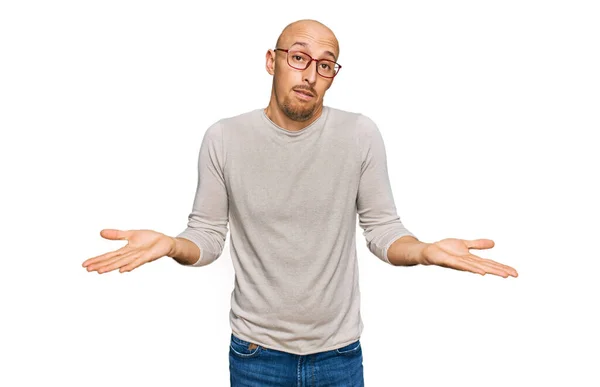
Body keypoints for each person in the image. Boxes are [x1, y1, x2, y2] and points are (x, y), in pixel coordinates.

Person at [82, 19, 518, 386]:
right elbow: (207, 236)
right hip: (256, 355)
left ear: (333, 75)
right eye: (298, 58)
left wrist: (424, 251)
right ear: (272, 61)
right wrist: (174, 245)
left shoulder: (359, 135)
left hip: (339, 355)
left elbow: (383, 230)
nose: (310, 74)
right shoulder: (224, 138)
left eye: (325, 65)